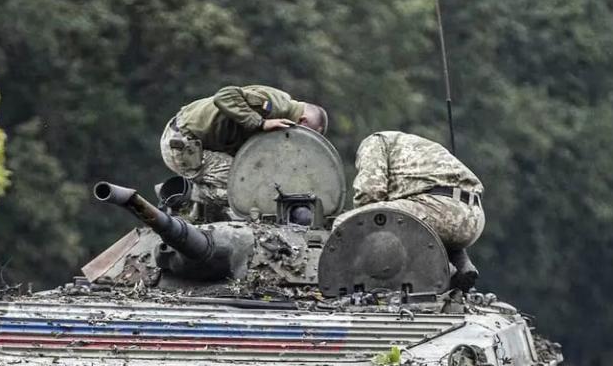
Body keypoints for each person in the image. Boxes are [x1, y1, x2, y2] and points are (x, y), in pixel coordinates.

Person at [161, 85, 328, 217]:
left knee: (250, 184)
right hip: (182, 143)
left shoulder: (283, 116)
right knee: (243, 189)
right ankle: (183, 194)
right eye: (308, 134)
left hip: (198, 144)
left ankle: (201, 215)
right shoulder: (275, 105)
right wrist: (260, 123)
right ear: (303, 120)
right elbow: (224, 95)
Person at [351, 131, 484, 288]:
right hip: (473, 216)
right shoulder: (407, 147)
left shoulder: (373, 142)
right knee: (410, 220)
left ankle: (444, 270)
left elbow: (369, 194)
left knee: (350, 222)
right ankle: (462, 266)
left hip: (439, 208)